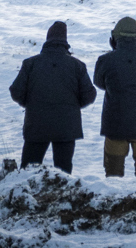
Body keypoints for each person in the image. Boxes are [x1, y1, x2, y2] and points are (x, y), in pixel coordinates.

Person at [9, 21, 96, 174]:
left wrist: (30, 104)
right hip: (67, 126)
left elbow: (16, 91)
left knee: (28, 171)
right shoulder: (77, 65)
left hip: (36, 124)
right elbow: (89, 94)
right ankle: (61, 197)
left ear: (47, 39)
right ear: (66, 42)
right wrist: (73, 106)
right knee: (63, 173)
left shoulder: (30, 63)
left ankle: (25, 197)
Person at [93, 17, 136, 177]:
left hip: (114, 127)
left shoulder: (105, 60)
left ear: (113, 39)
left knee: (113, 176)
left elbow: (99, 82)